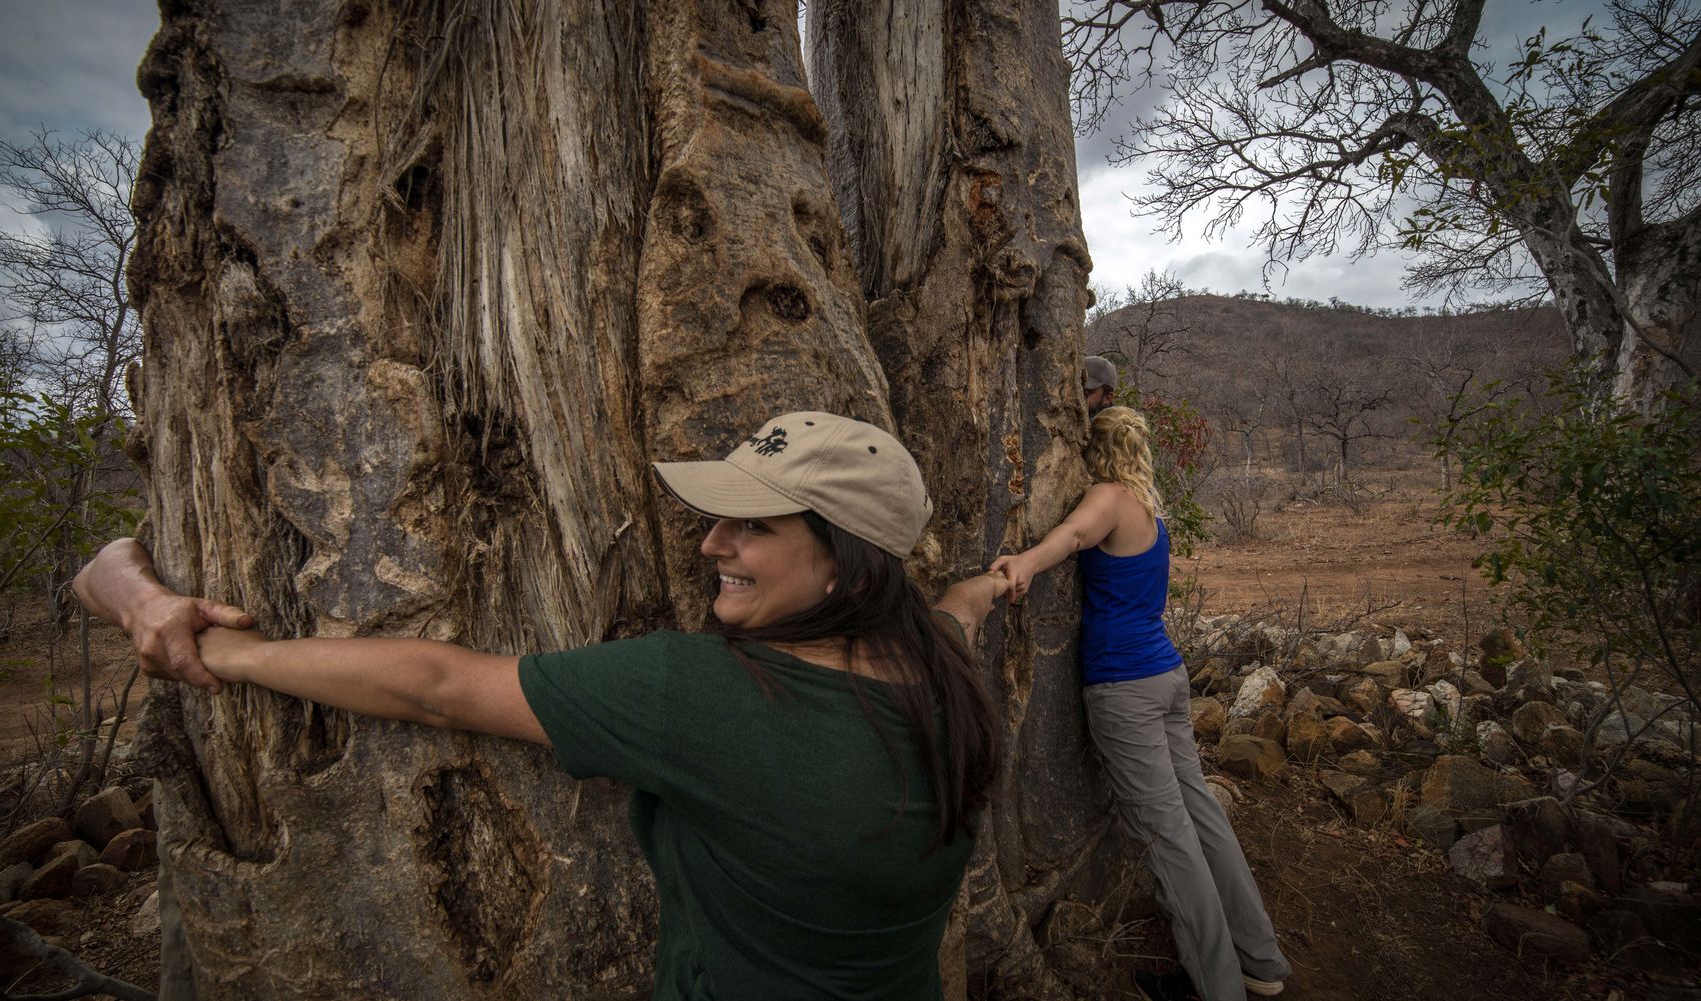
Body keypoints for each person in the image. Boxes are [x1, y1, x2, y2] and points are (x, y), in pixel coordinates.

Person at [75, 411, 1012, 1001]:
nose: (710, 543)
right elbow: (959, 607)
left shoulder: (701, 694)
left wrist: (228, 649)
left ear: (849, 564)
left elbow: (437, 686)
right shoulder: (944, 671)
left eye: (753, 526)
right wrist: (1010, 574)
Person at [990, 406, 1289, 1001]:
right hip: (1165, 675)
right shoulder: (1149, 504)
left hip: (1125, 685)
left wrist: (1025, 561)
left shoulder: (1108, 497)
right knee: (1201, 816)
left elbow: (1074, 535)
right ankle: (1260, 960)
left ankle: (1215, 987)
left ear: (1094, 450)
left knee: (1166, 835)